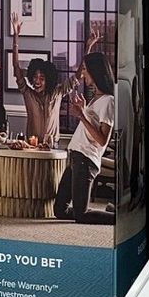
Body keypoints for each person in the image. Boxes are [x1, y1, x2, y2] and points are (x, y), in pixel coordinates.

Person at [54, 50, 115, 222]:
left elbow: (103, 139)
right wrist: (84, 110)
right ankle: (109, 211)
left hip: (86, 160)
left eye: (86, 69)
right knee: (59, 210)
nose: (83, 73)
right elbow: (90, 127)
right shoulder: (95, 98)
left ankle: (120, 217)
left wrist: (81, 115)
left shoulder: (109, 100)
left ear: (95, 71)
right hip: (75, 157)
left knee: (81, 215)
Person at [8, 13, 63, 144]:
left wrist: (87, 49)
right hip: (32, 147)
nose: (37, 81)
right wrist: (16, 37)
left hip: (52, 148)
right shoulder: (28, 94)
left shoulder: (57, 93)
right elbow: (16, 67)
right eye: (35, 77)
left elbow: (76, 78)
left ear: (48, 80)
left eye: (42, 78)